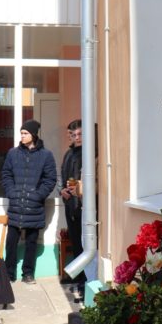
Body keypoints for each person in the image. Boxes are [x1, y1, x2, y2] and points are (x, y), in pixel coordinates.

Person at [1, 119, 57, 284]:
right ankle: (9, 273)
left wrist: (38, 195)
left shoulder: (46, 155)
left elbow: (50, 179)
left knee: (31, 242)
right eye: (21, 133)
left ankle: (28, 274)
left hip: (34, 207)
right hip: (16, 206)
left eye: (25, 133)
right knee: (11, 242)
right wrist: (12, 192)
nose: (22, 136)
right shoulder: (13, 153)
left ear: (33, 134)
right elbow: (6, 174)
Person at [60, 119, 87, 298]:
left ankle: (85, 283)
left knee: (86, 246)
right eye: (73, 134)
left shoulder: (90, 153)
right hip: (71, 206)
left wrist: (76, 190)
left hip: (84, 207)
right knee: (77, 245)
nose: (76, 138)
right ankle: (79, 281)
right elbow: (63, 178)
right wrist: (62, 190)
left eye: (79, 134)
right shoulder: (69, 154)